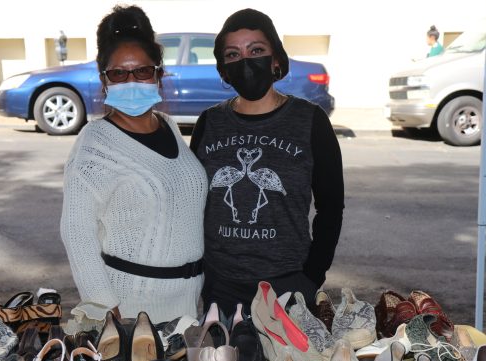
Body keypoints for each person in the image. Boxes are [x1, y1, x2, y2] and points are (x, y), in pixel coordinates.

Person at [190, 8, 344, 315]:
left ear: (275, 59)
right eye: (233, 54)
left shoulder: (310, 121)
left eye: (256, 50)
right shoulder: (209, 123)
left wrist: (311, 278)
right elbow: (193, 202)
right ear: (223, 68)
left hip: (288, 287)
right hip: (220, 285)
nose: (245, 61)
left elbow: (331, 208)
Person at [60, 5, 208, 324]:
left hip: (186, 303)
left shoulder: (167, 125)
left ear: (158, 73)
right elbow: (77, 231)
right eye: (119, 73)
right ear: (105, 80)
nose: (131, 80)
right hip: (130, 310)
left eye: (142, 71)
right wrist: (102, 305)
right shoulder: (95, 143)